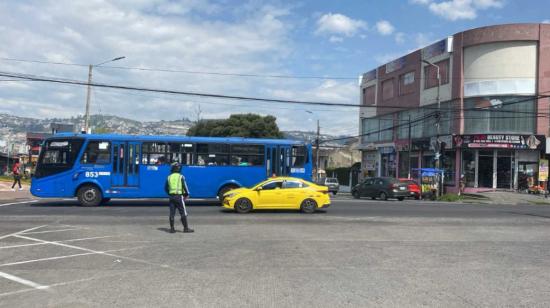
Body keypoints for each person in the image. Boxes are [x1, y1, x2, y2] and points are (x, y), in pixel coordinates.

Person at [164, 163, 194, 234]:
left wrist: (170, 193)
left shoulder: (169, 177)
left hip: (171, 197)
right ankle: (186, 228)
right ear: (179, 169)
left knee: (172, 213)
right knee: (183, 212)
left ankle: (172, 229)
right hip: (179, 197)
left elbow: (165, 188)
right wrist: (187, 194)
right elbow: (184, 186)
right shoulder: (181, 176)